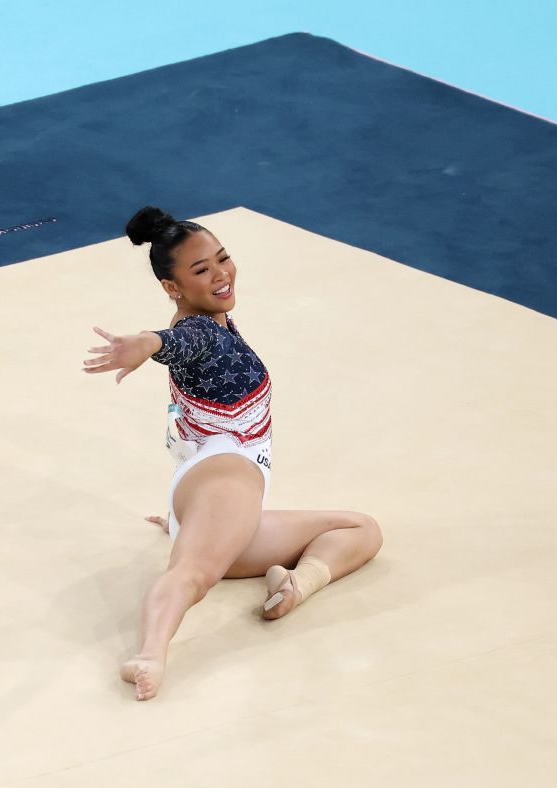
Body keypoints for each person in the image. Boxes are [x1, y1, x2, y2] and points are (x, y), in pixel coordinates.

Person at [83, 206, 383, 701]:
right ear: (171, 287)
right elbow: (176, 343)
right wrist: (145, 343)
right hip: (226, 479)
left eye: (223, 259)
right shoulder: (199, 333)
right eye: (201, 270)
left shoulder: (215, 319)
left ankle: (294, 584)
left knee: (360, 529)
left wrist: (191, 516)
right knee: (192, 576)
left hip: (219, 499)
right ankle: (150, 653)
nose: (221, 274)